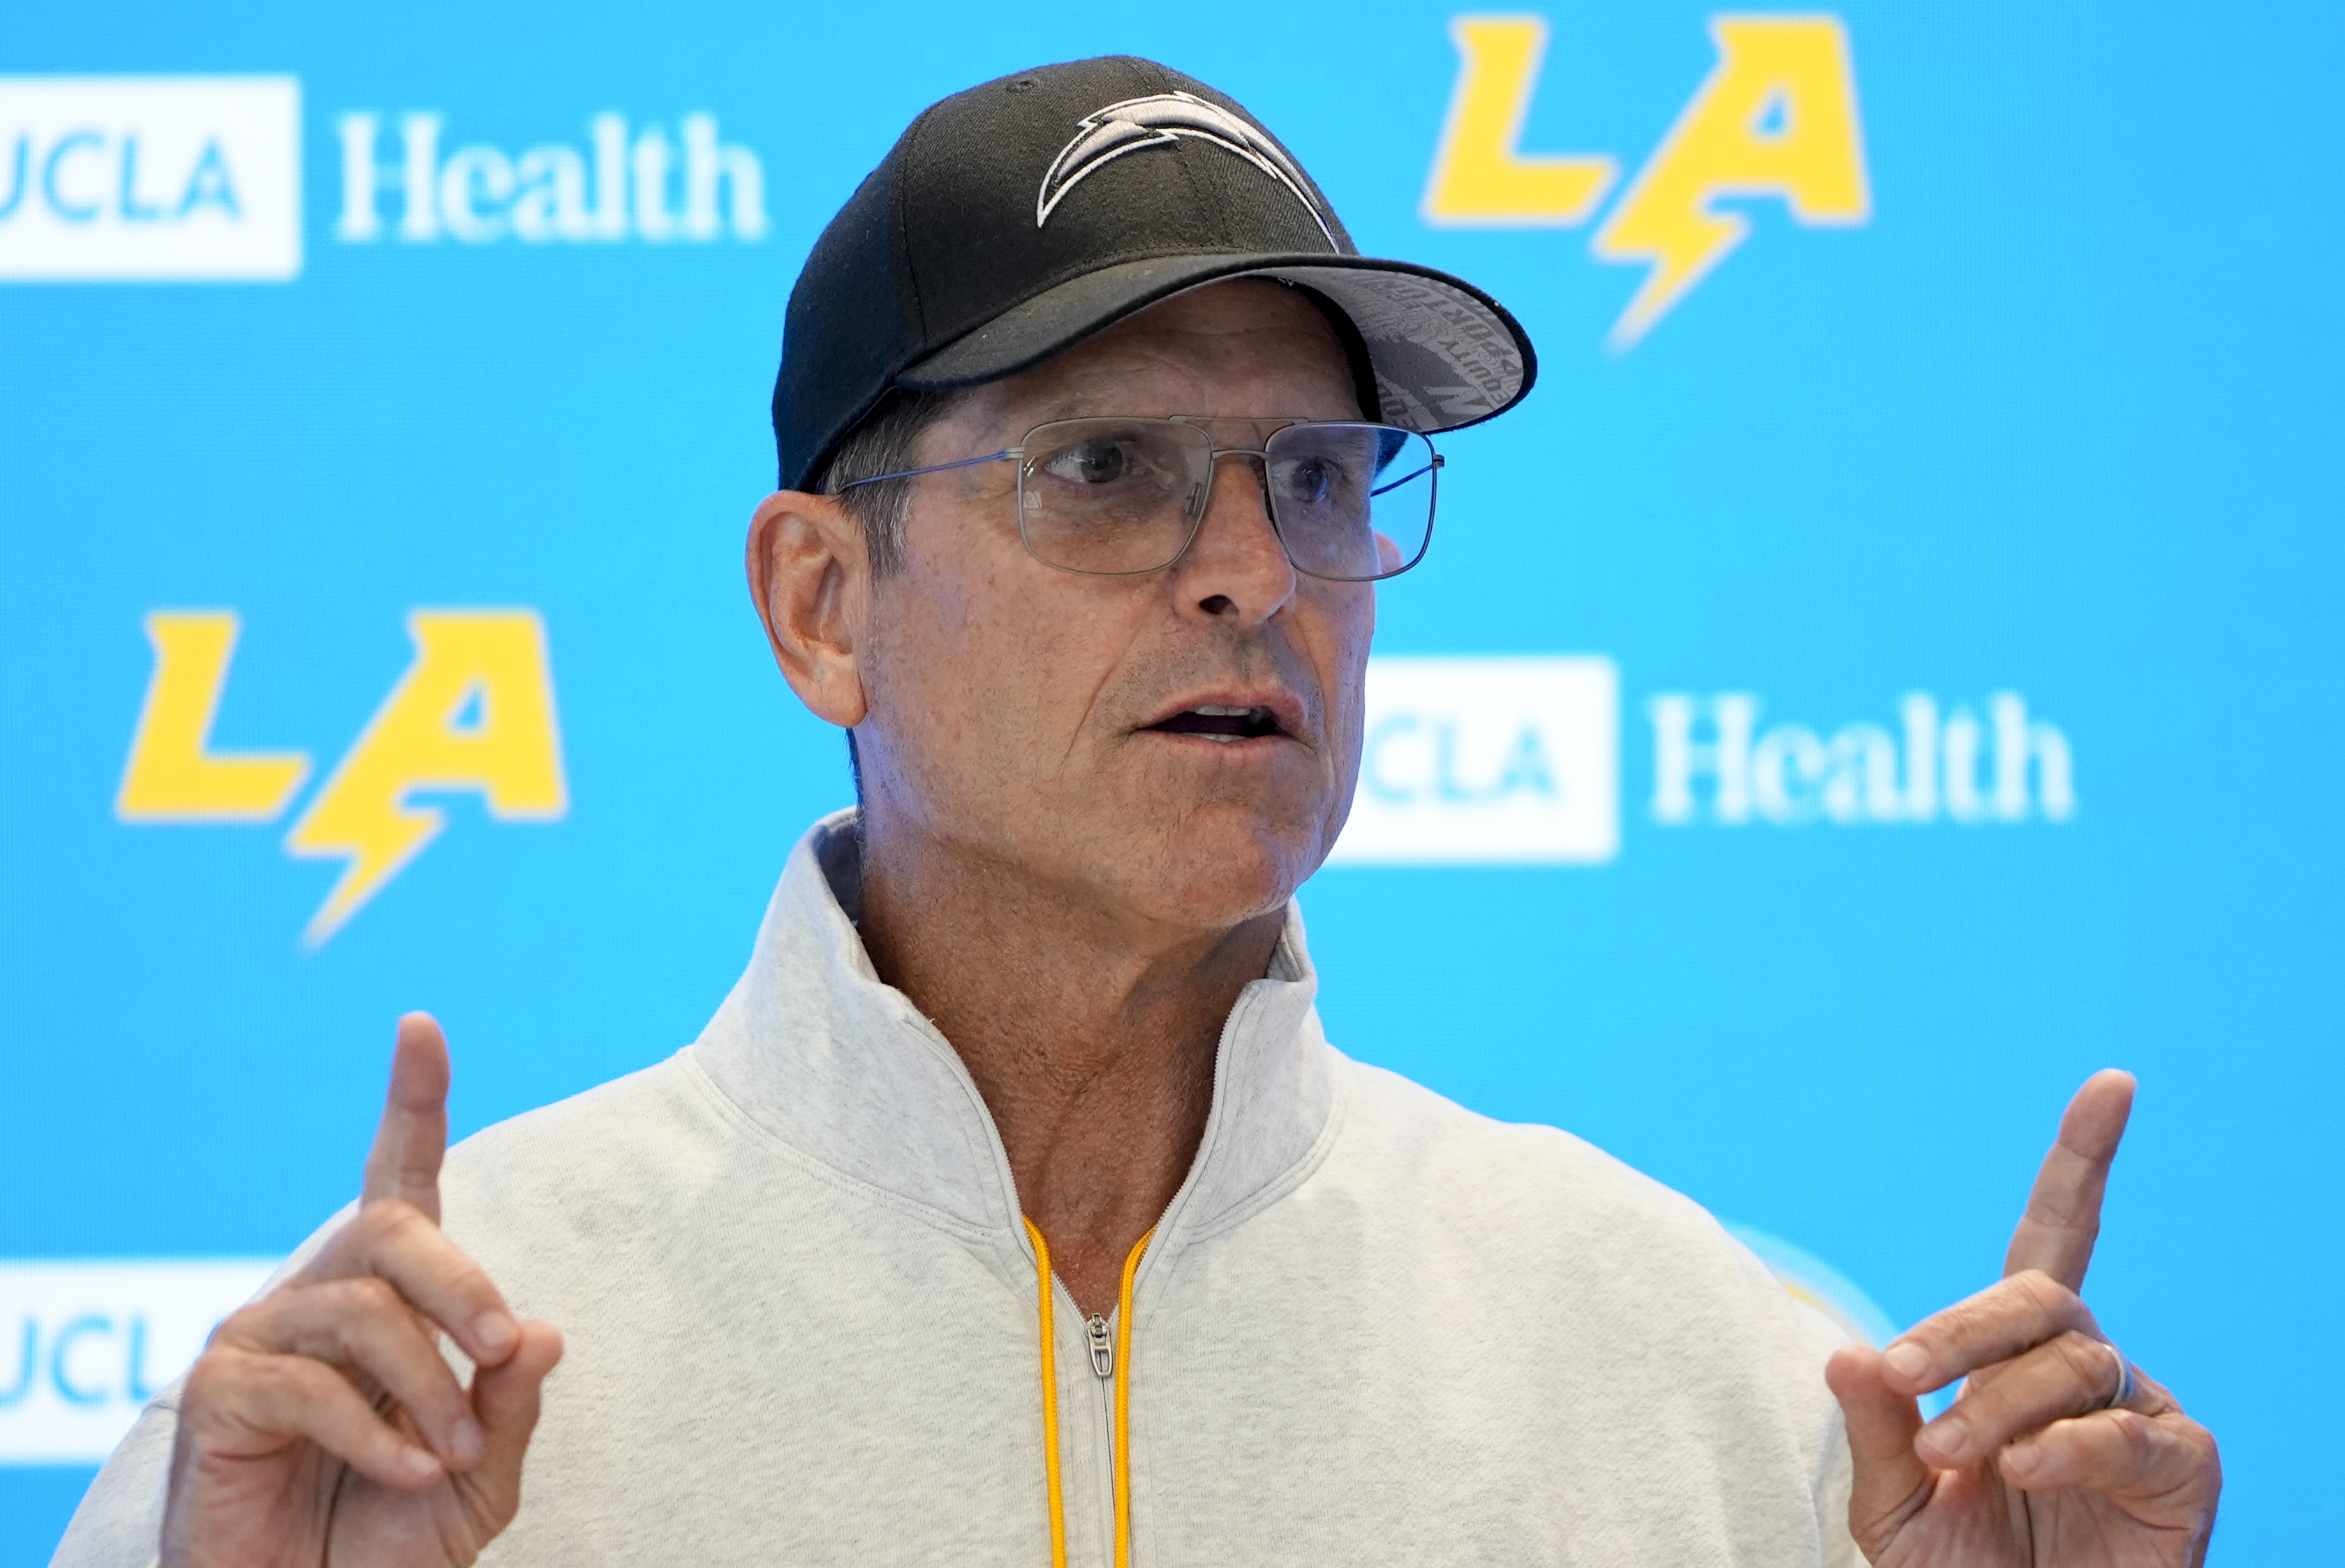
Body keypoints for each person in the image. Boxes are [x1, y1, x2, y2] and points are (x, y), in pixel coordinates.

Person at [56, 55, 2219, 1568]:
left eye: (1318, 478)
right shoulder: (413, 1414)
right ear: (824, 606)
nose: (1257, 574)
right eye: (1103, 469)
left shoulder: (1697, 1368)